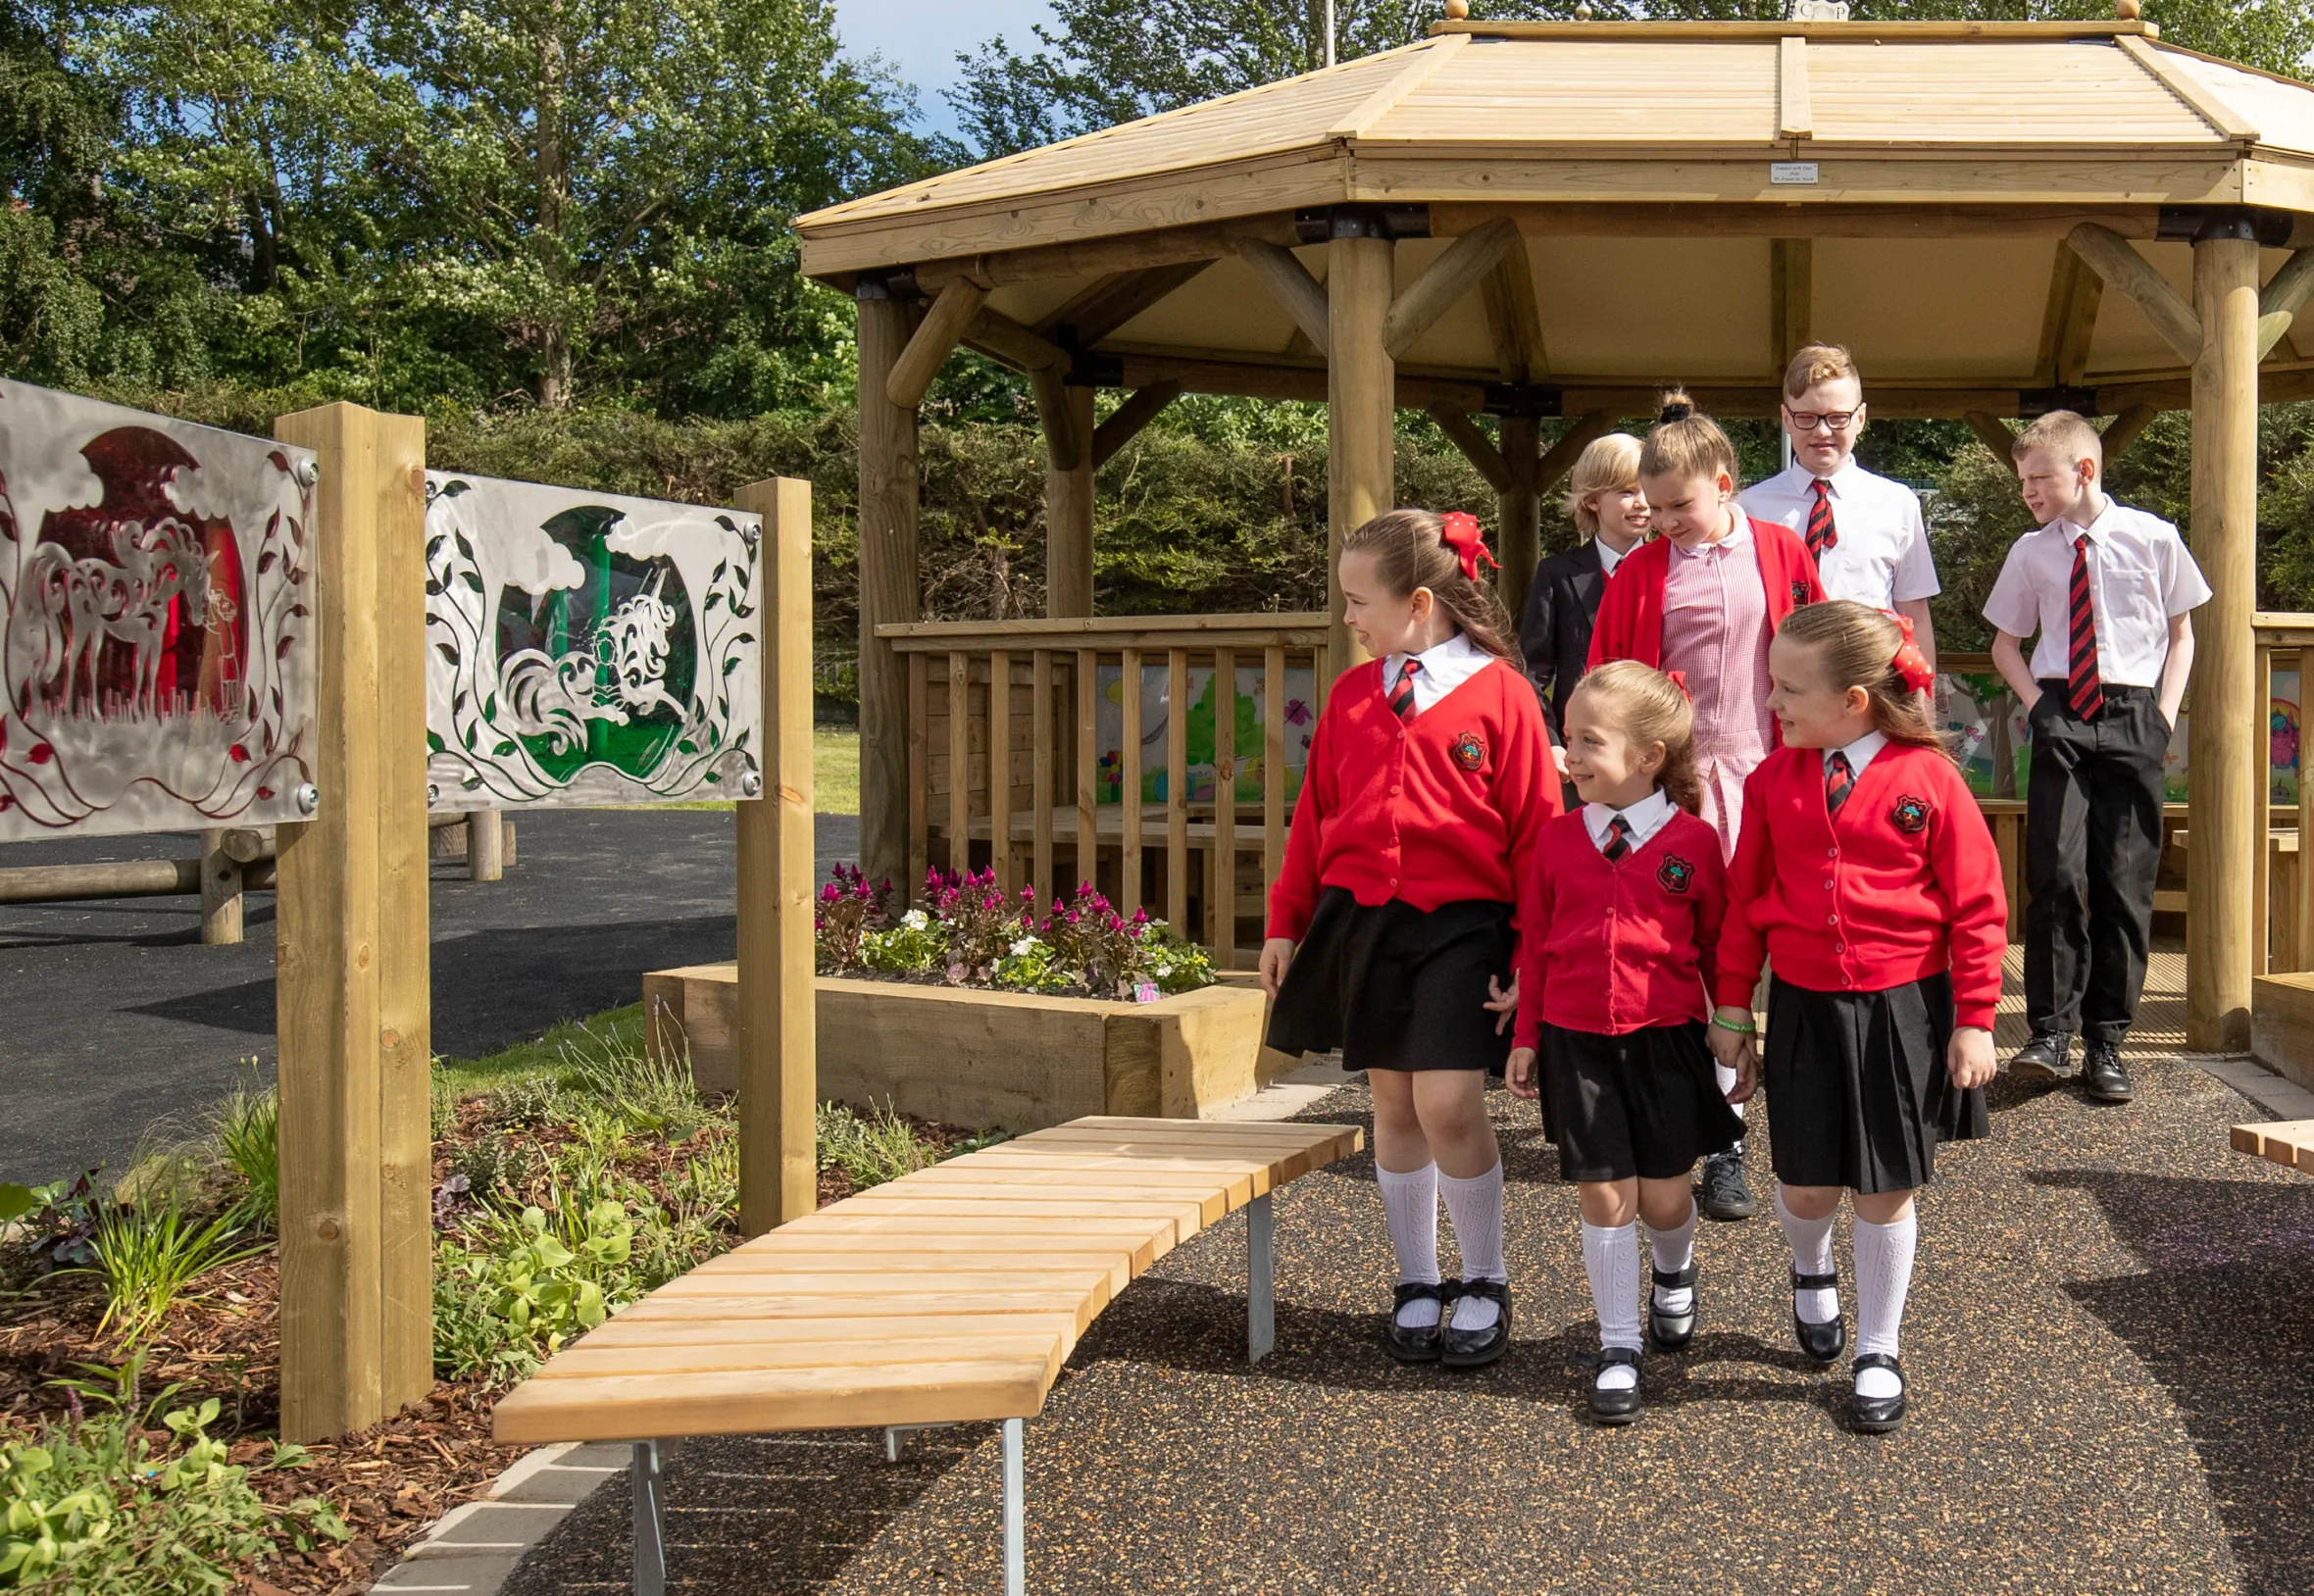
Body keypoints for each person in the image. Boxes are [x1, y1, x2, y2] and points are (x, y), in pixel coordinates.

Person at [1260, 507, 1559, 1371]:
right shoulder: (1353, 695)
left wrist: (1532, 958)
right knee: (1392, 1104)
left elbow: (1538, 837)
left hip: (1466, 925)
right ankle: (1418, 1277)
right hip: (1365, 923)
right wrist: (1286, 920)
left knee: (1448, 1103)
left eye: (1359, 602)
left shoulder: (1503, 693)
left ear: (1418, 602)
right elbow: (1315, 817)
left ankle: (1487, 1276)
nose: (1348, 617)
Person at [1712, 600, 2004, 1432]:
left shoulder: (1931, 780)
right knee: (1806, 1188)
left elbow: (1978, 907)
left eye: (1788, 688)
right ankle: (1811, 1268)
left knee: (1885, 1187)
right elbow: (1743, 903)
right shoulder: (1771, 782)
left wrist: (1976, 1018)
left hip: (1904, 1011)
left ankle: (1879, 1347)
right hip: (1803, 1006)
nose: (1771, 701)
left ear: (1854, 701)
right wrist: (1733, 1004)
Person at [1589, 391, 1827, 1222]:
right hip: (1680, 786)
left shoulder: (1782, 549)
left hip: (1769, 773)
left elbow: (1819, 652)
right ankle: (1718, 1136)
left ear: (1724, 485)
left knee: (1767, 941)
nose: (1663, 523)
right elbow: (1609, 681)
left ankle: (1783, 1110)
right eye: (1652, 510)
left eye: (1678, 506)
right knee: (1691, 953)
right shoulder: (1640, 572)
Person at [1503, 661, 1746, 1424]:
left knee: (1666, 1199)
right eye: (1568, 737)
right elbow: (1537, 947)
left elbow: (1719, 949)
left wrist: (1735, 1027)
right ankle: (1618, 1345)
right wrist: (1526, 1035)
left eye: (1588, 741)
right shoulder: (1554, 842)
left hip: (1666, 1043)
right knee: (1606, 1196)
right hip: (1575, 1043)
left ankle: (1674, 1270)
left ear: (1648, 757)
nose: (1569, 754)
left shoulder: (1695, 844)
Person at [1983, 411, 2207, 1102]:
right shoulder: (2031, 552)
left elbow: (2182, 634)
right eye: (2022, 480)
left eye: (2038, 478)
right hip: (2062, 712)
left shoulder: (2153, 538)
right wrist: (2039, 708)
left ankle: (2106, 1042)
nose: (2028, 491)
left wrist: (2162, 718)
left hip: (2135, 712)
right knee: (2055, 872)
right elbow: (2004, 645)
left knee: (2123, 880)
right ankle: (2049, 1034)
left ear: (2084, 471)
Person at [1742, 344, 1942, 664]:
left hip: (1871, 679)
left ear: (1860, 418)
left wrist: (1923, 693)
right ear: (1786, 418)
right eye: (1806, 418)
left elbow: (1914, 615)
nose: (1822, 431)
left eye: (1838, 418)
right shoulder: (1750, 509)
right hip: (1782, 681)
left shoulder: (1897, 504)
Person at [1521, 432, 1650, 804]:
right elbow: (1531, 671)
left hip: (1653, 753)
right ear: (1593, 500)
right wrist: (1551, 742)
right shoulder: (1557, 573)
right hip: (1580, 757)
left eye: (1647, 489)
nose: (1642, 502)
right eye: (1627, 491)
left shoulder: (1674, 568)